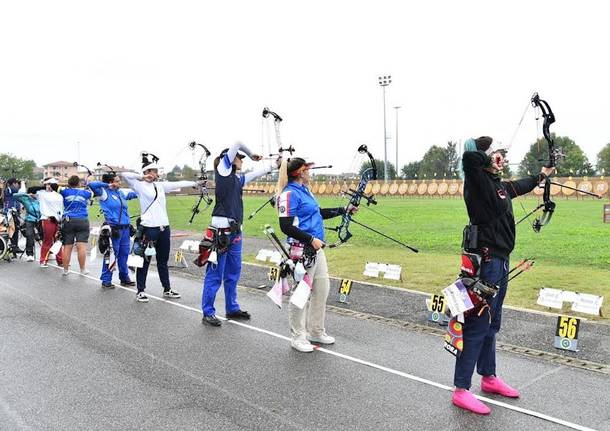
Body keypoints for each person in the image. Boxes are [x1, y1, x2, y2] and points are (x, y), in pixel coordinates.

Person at [452, 136, 555, 414]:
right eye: (495, 155)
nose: (501, 159)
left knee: (493, 323)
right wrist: (489, 157)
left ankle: (488, 377)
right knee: (477, 323)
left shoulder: (497, 185)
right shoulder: (475, 179)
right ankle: (461, 389)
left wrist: (540, 176)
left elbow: (518, 186)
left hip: (501, 261)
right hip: (486, 263)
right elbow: (469, 158)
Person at [276, 157, 356, 352]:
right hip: (302, 250)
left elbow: (317, 213)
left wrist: (343, 210)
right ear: (300, 173)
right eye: (307, 170)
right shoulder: (288, 194)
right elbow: (285, 226)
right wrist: (311, 239)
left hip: (316, 249)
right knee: (302, 293)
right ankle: (298, 336)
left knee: (322, 288)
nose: (310, 173)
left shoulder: (305, 191)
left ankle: (316, 331)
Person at [201, 143, 271, 326]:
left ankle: (231, 308)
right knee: (215, 274)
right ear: (231, 159)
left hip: (235, 232)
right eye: (240, 158)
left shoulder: (235, 179)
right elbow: (237, 142)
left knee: (233, 272)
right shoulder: (223, 171)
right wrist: (252, 153)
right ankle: (208, 312)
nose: (242, 161)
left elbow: (256, 174)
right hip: (221, 233)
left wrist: (276, 165)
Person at [122, 161, 199, 302]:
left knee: (163, 260)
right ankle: (140, 291)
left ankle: (167, 289)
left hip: (164, 228)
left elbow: (178, 184)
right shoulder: (138, 185)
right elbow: (124, 174)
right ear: (148, 172)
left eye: (157, 171)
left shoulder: (160, 185)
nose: (157, 174)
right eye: (154, 171)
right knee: (144, 260)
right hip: (149, 229)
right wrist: (142, 176)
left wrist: (195, 182)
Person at [89, 173, 138, 288]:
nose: (119, 183)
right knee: (111, 255)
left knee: (124, 254)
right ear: (110, 182)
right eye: (116, 181)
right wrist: (107, 185)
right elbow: (91, 184)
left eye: (119, 181)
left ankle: (124, 278)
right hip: (113, 229)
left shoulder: (121, 193)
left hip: (125, 229)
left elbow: (136, 193)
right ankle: (106, 280)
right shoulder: (104, 193)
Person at [58, 175, 93, 275]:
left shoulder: (64, 191)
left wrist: (67, 185)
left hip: (68, 220)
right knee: (81, 247)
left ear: (69, 183)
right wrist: (85, 184)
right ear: (79, 183)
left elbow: (54, 186)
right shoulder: (85, 193)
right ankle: (82, 269)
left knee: (67, 247)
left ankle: (65, 270)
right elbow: (93, 191)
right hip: (82, 220)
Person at [36, 178, 64, 267]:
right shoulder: (42, 194)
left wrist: (60, 220)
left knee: (58, 241)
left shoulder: (59, 196)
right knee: (47, 241)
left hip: (57, 220)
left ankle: (60, 260)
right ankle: (43, 260)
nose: (48, 186)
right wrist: (44, 184)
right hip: (47, 219)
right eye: (47, 185)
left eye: (50, 185)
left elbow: (60, 209)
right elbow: (31, 190)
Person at [13, 181, 42, 262]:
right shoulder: (26, 199)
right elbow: (15, 195)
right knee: (29, 235)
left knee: (44, 236)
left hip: (40, 219)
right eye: (34, 193)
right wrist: (27, 195)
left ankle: (48, 252)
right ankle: (30, 254)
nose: (35, 195)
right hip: (30, 220)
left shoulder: (40, 199)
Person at [2, 178, 24, 254]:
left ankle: (15, 246)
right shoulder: (8, 190)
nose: (17, 185)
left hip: (15, 212)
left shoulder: (11, 190)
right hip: (10, 213)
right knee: (12, 229)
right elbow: (20, 191)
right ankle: (13, 246)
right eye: (16, 183)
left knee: (16, 229)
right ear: (12, 184)